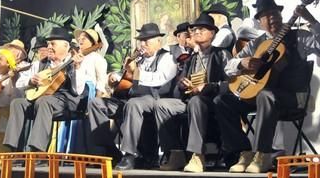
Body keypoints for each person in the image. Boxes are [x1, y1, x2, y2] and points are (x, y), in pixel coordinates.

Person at [215, 0, 320, 173]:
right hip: (260, 96)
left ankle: (263, 154)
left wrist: (311, 20)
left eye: (275, 13)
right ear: (259, 21)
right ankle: (243, 152)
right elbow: (229, 67)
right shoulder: (256, 43)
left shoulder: (299, 37)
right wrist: (241, 63)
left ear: (281, 15)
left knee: (266, 95)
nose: (272, 17)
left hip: (292, 98)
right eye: (266, 15)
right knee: (222, 101)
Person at [87, 22, 177, 170]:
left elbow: (160, 79)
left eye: (146, 41)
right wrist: (114, 78)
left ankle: (129, 154)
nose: (142, 44)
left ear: (158, 42)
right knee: (96, 103)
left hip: (154, 99)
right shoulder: (138, 59)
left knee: (134, 103)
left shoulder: (167, 58)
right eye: (141, 40)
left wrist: (136, 72)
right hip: (130, 100)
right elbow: (125, 80)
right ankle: (109, 151)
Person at [155, 13, 232, 172]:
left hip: (213, 102)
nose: (196, 32)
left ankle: (197, 155)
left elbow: (231, 84)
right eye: (195, 29)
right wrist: (183, 85)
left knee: (197, 102)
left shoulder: (221, 54)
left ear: (212, 33)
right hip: (190, 101)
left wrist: (208, 87)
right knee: (162, 104)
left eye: (202, 29)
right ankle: (175, 154)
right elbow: (179, 91)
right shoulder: (191, 58)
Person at [3, 27, 88, 152]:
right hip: (42, 102)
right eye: (48, 43)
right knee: (18, 103)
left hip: (66, 103)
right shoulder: (40, 64)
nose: (48, 47)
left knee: (44, 101)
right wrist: (30, 81)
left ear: (65, 46)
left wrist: (78, 68)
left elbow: (78, 91)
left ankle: (37, 151)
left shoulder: (76, 62)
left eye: (52, 44)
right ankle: (14, 149)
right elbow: (20, 83)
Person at [73, 28, 108, 98]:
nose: (80, 41)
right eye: (79, 39)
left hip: (87, 93)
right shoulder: (76, 57)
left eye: (84, 39)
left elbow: (101, 80)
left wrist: (97, 99)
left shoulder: (97, 58)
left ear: (92, 42)